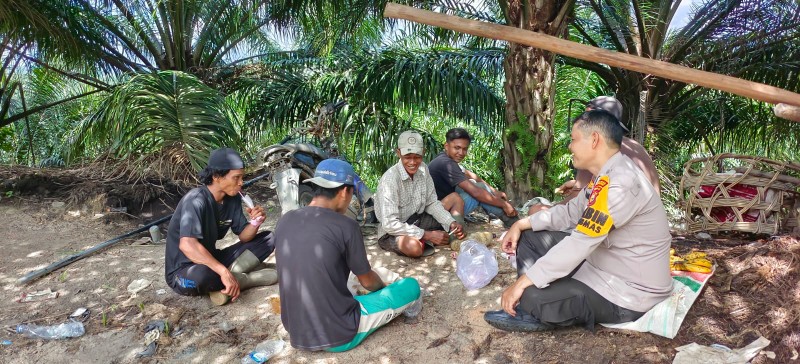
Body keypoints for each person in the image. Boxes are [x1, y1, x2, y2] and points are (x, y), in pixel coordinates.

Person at [484, 110, 672, 332]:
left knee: (532, 295)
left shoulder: (621, 183)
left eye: (573, 140)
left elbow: (581, 241)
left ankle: (532, 306)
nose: (570, 147)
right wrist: (521, 224)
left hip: (629, 291)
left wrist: (524, 282)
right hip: (601, 265)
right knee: (530, 237)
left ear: (594, 140)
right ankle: (531, 302)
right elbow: (570, 212)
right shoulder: (604, 175)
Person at [274, 159, 421, 352]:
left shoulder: (285, 220)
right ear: (345, 191)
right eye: (352, 194)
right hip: (339, 334)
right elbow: (368, 282)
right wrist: (383, 290)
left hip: (296, 330)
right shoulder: (346, 226)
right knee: (411, 286)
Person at [165, 148, 277, 306]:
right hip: (184, 272)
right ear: (216, 176)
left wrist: (255, 222)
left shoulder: (232, 199)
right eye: (236, 178)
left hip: (212, 259)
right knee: (205, 275)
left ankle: (228, 280)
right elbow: (187, 245)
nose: (241, 182)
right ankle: (244, 279)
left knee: (268, 239)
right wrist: (223, 271)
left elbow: (244, 237)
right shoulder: (196, 200)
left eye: (242, 177)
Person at [527, 96, 660, 215]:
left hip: (619, 236)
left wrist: (545, 209)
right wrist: (577, 184)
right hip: (646, 229)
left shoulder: (594, 148)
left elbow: (574, 207)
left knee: (536, 212)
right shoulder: (635, 146)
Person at [375, 130, 466, 257]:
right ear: (398, 153)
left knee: (456, 199)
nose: (412, 162)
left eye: (417, 157)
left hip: (418, 220)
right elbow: (389, 224)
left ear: (423, 153)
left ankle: (451, 237)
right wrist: (427, 234)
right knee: (414, 248)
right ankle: (429, 239)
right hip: (393, 231)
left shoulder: (423, 169)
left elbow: (431, 203)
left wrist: (450, 222)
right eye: (407, 157)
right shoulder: (390, 180)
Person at [428, 128, 519, 227]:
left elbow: (469, 175)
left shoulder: (444, 158)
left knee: (479, 186)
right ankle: (513, 221)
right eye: (457, 148)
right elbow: (476, 192)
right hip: (435, 217)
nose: (461, 153)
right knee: (476, 194)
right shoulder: (445, 163)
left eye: (465, 149)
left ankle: (511, 219)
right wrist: (503, 204)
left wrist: (493, 191)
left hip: (441, 207)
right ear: (446, 146)